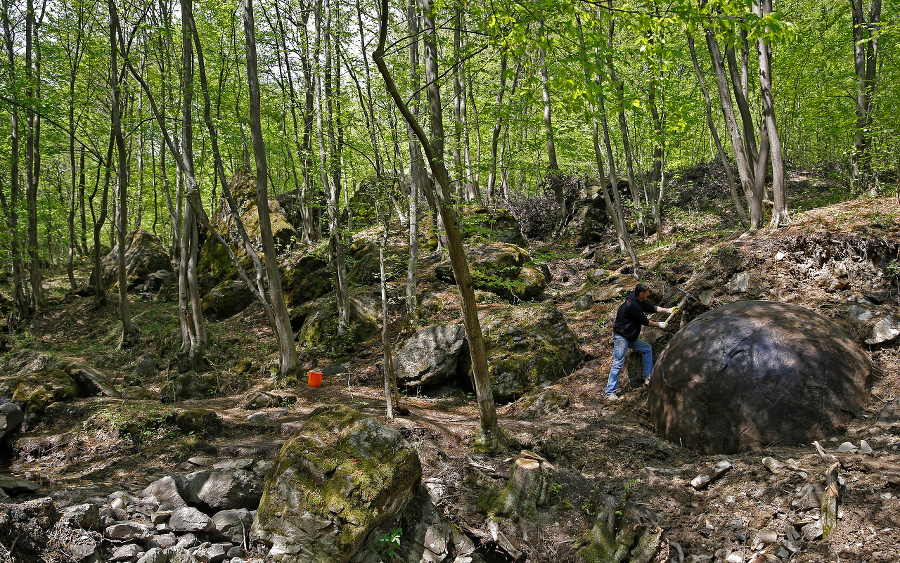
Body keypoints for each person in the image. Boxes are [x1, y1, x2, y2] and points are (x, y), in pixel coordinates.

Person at [605, 283, 678, 400]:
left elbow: (652, 308)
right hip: (621, 338)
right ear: (641, 294)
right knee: (618, 363)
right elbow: (645, 321)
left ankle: (648, 377)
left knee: (647, 348)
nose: (649, 294)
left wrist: (668, 310)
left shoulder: (637, 300)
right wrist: (659, 324)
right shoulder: (632, 305)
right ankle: (610, 392)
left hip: (630, 337)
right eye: (647, 293)